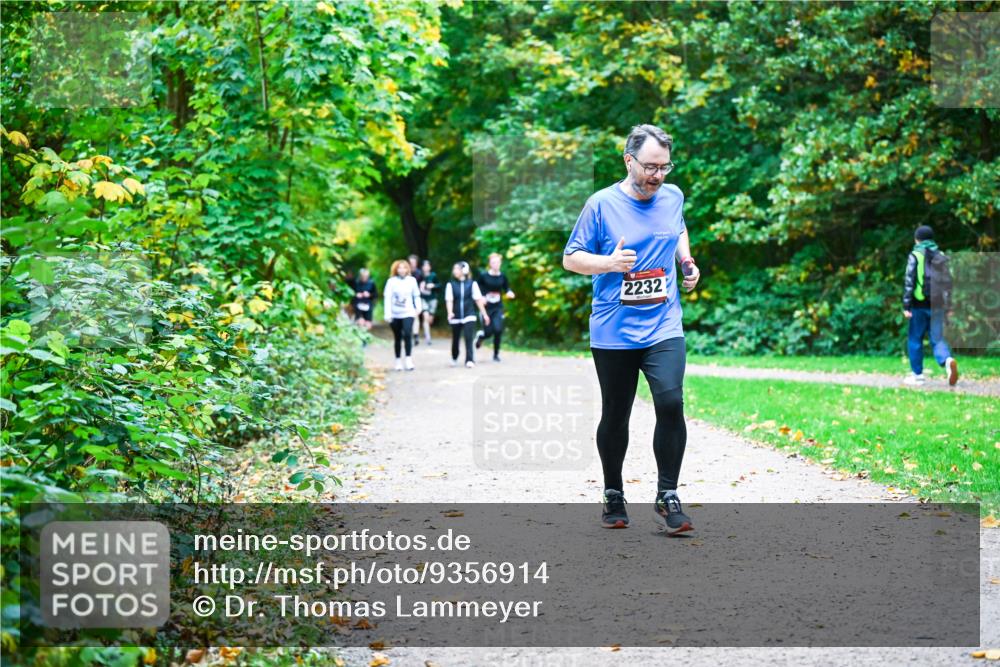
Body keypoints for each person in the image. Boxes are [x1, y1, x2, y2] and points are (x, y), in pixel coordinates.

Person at [563, 124, 700, 535]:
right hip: (614, 330)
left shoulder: (672, 196)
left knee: (671, 402)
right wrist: (608, 263)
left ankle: (667, 495)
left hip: (663, 323)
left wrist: (686, 261)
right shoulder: (601, 205)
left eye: (664, 167)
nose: (657, 175)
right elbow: (572, 258)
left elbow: (677, 227)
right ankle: (613, 492)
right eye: (650, 167)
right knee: (616, 413)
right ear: (629, 161)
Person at [902, 225, 959, 386]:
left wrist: (906, 306)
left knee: (915, 338)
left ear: (917, 239)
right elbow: (948, 284)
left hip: (918, 305)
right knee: (937, 339)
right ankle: (947, 361)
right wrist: (949, 307)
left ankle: (917, 376)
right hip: (938, 305)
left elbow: (909, 281)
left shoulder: (915, 255)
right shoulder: (941, 256)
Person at [445, 261, 490, 368]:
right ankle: (454, 357)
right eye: (454, 269)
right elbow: (449, 300)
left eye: (457, 269)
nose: (454, 271)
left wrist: (485, 314)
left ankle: (469, 359)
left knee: (468, 337)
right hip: (456, 316)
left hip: (469, 315)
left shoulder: (472, 284)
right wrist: (450, 312)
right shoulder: (451, 285)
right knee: (455, 338)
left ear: (463, 270)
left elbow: (478, 300)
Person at [475, 253, 515, 362]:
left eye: (497, 262)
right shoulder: (484, 276)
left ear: (500, 263)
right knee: (488, 332)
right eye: (493, 262)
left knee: (498, 329)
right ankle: (481, 337)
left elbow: (506, 288)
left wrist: (509, 292)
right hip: (486, 308)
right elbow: (476, 288)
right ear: (490, 264)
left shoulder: (502, 276)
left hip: (498, 307)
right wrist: (482, 297)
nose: (495, 264)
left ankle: (496, 355)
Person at [383, 259, 422, 371]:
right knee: (397, 337)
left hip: (408, 312)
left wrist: (418, 307)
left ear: (407, 269)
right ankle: (398, 360)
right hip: (395, 314)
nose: (402, 270)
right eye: (399, 268)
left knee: (408, 334)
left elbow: (416, 295)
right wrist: (387, 313)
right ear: (396, 270)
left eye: (404, 268)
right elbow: (387, 298)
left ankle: (408, 359)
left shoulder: (412, 281)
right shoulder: (391, 282)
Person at [419, 259, 439, 345]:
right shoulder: (419, 276)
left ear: (430, 267)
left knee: (430, 319)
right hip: (423, 299)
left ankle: (428, 330)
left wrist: (433, 285)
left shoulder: (433, 275)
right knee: (425, 317)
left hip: (433, 299)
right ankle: (428, 337)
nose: (426, 267)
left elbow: (439, 286)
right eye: (424, 265)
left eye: (427, 265)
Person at [352, 267, 377, 334]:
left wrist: (369, 295)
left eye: (366, 276)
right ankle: (360, 335)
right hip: (358, 304)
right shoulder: (356, 282)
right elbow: (351, 293)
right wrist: (356, 295)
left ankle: (366, 336)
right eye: (363, 276)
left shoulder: (371, 283)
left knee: (368, 323)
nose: (364, 278)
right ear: (360, 276)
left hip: (368, 304)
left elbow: (375, 295)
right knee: (360, 321)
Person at [408, 254, 424, 345]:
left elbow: (422, 283)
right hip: (406, 298)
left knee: (416, 315)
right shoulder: (406, 272)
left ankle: (416, 335)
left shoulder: (419, 273)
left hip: (415, 297)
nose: (412, 264)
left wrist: (421, 288)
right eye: (411, 262)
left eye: (414, 262)